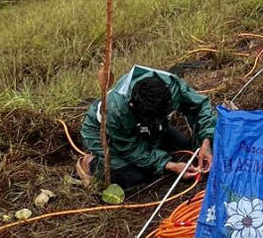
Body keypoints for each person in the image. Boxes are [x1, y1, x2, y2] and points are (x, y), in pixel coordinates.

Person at [78, 66, 215, 189]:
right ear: (133, 106)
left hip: (148, 128)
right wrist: (171, 166)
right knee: (137, 177)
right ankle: (90, 163)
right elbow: (131, 150)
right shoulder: (116, 111)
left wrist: (206, 141)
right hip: (106, 134)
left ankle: (153, 145)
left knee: (183, 145)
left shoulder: (170, 86)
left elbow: (201, 105)